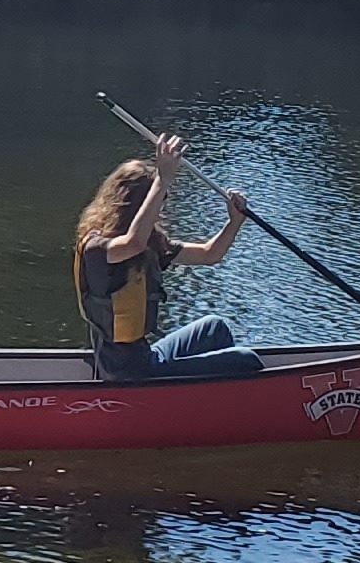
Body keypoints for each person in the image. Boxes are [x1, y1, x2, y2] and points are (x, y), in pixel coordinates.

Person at [75, 134, 261, 380]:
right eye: (159, 201)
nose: (161, 209)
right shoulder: (97, 248)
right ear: (136, 205)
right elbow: (133, 243)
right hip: (127, 373)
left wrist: (234, 222)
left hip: (145, 357)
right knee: (246, 361)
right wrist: (162, 179)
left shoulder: (151, 244)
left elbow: (210, 254)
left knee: (214, 328)